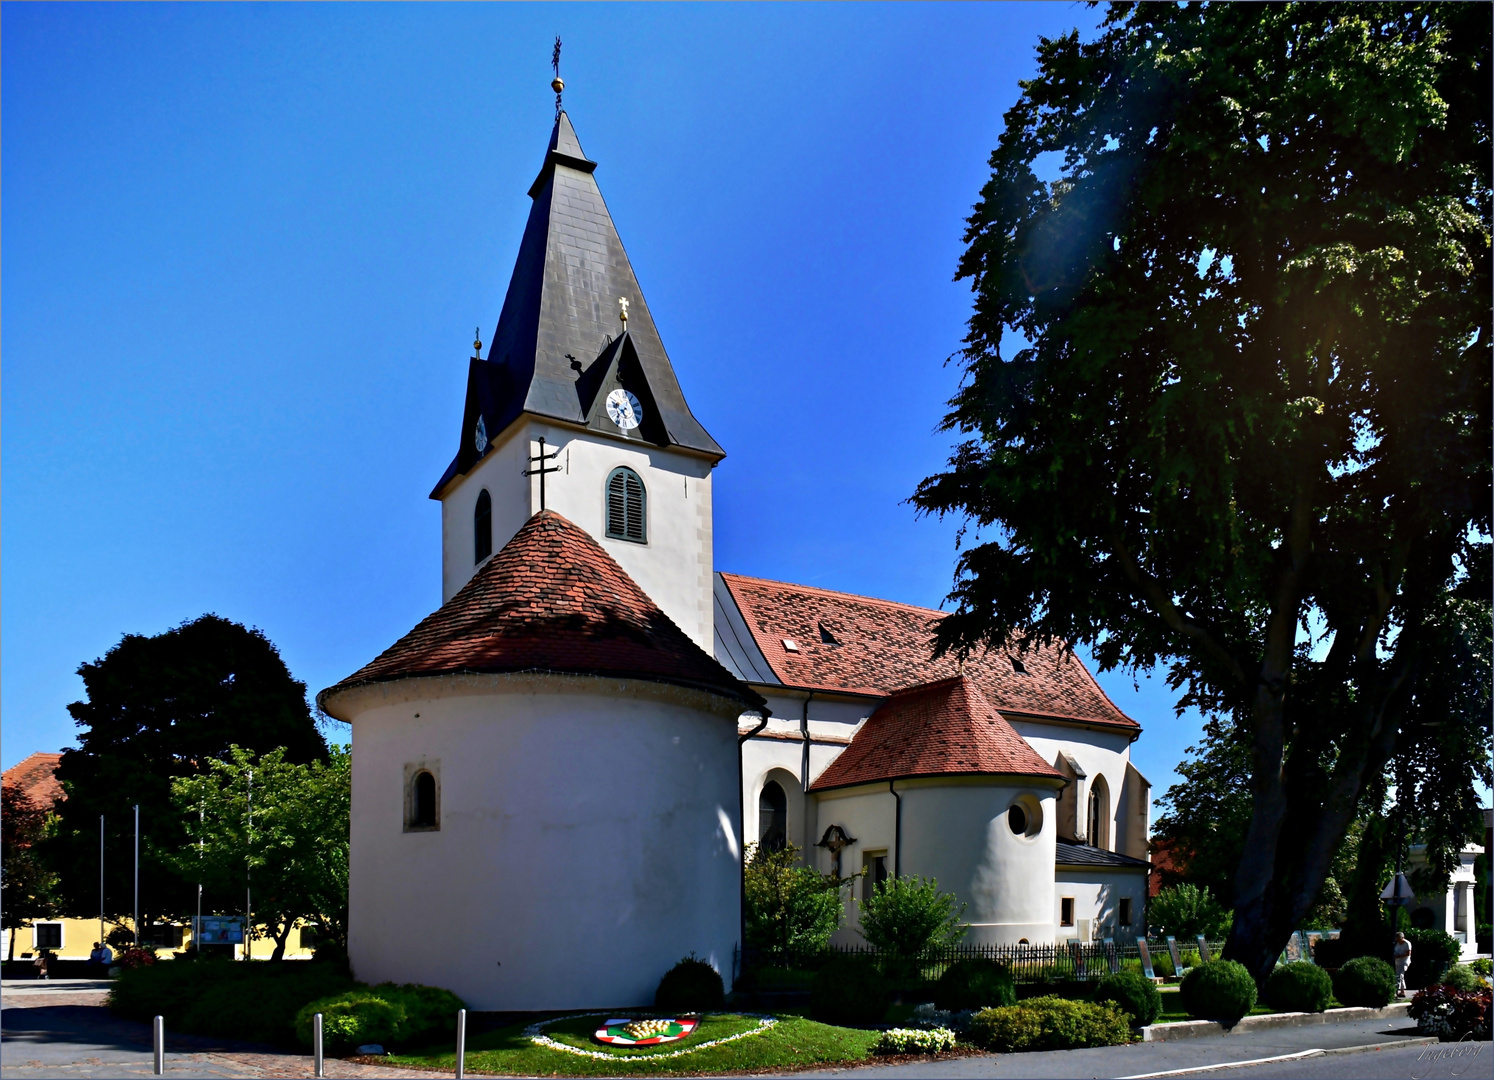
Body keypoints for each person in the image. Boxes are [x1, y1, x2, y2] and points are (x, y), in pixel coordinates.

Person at [1393, 931, 1413, 997]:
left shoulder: (1407, 943)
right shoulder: (1397, 944)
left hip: (1404, 962)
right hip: (1398, 962)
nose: (1398, 941)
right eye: (1397, 939)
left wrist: (1399, 956)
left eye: (1399, 939)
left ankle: (1398, 991)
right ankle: (1402, 991)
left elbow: (1408, 953)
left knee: (1400, 975)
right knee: (1399, 976)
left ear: (1402, 938)